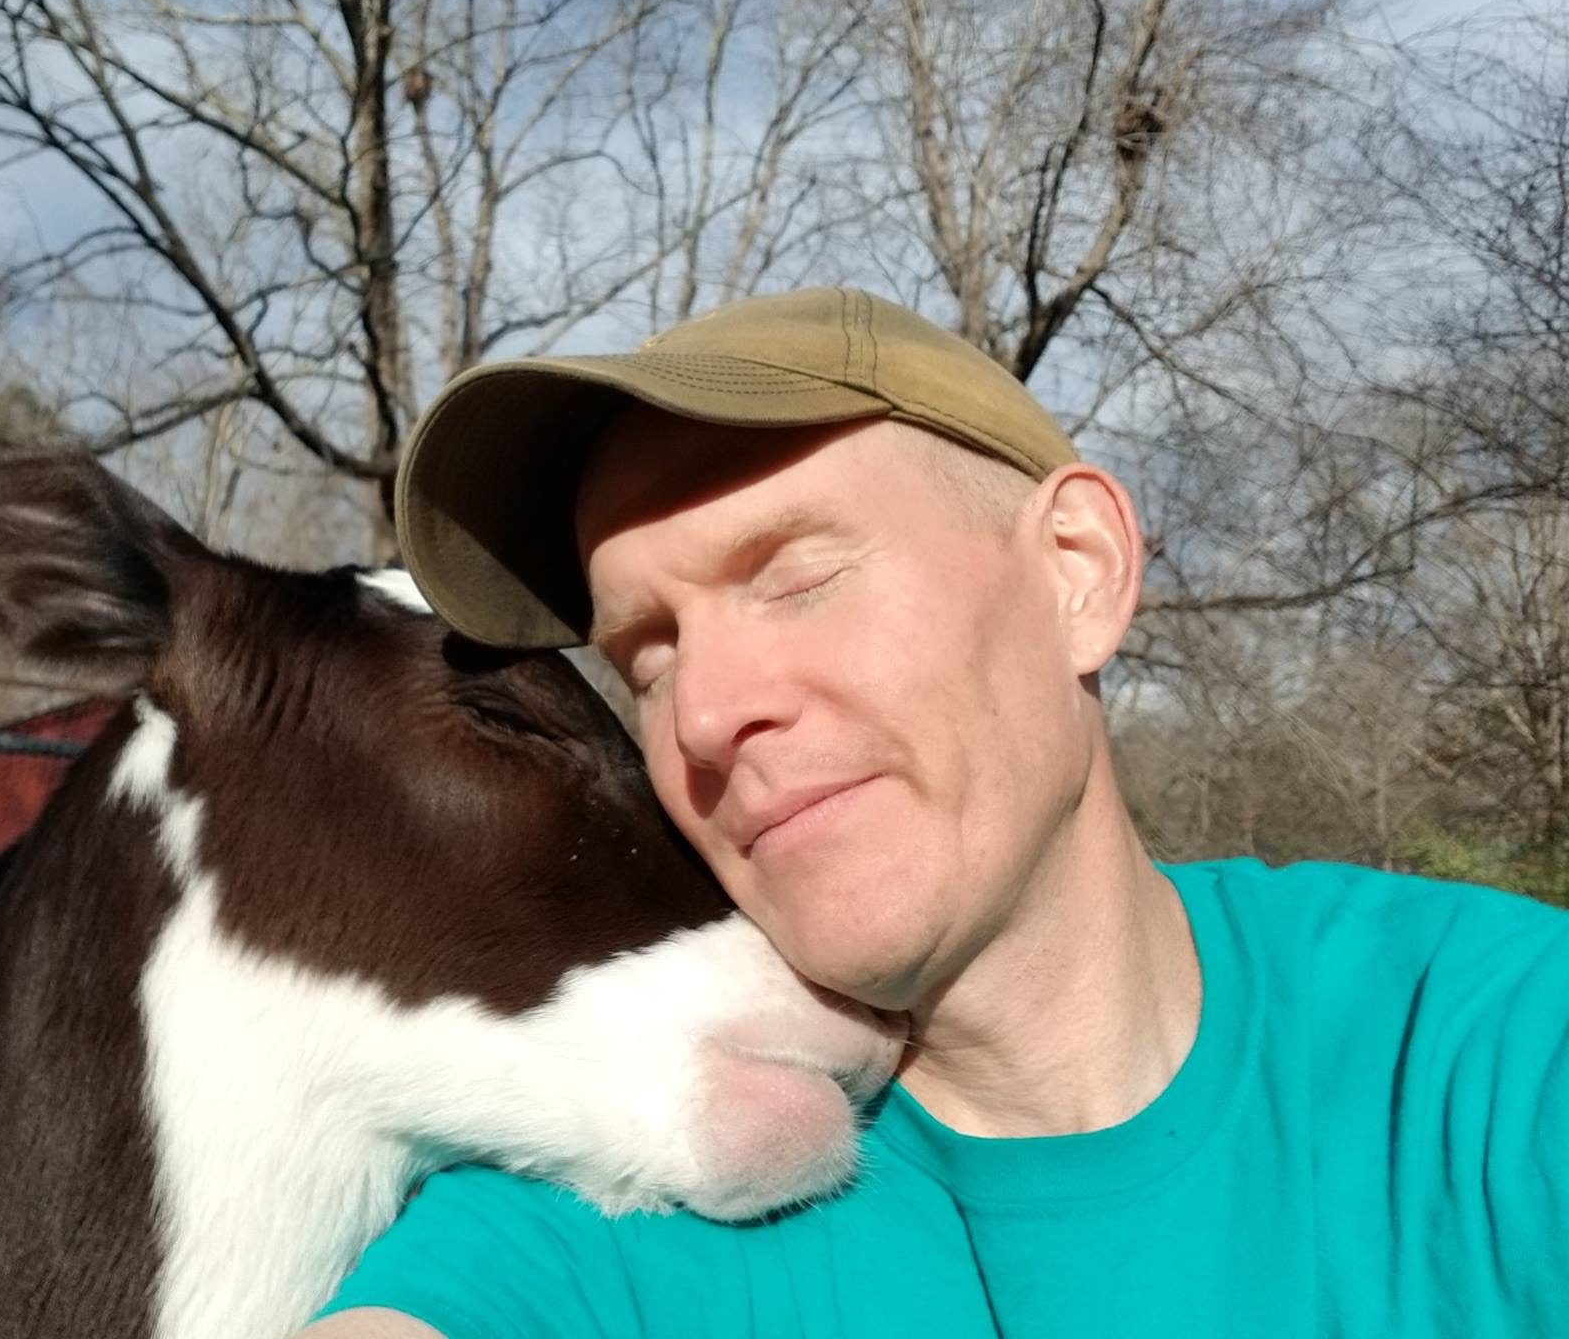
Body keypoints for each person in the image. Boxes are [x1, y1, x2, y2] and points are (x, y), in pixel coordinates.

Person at [305, 287, 1567, 1339]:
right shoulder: (630, 1187)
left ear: (1076, 574)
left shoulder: (1482, 1062)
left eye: (796, 576)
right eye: (645, 659)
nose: (699, 719)